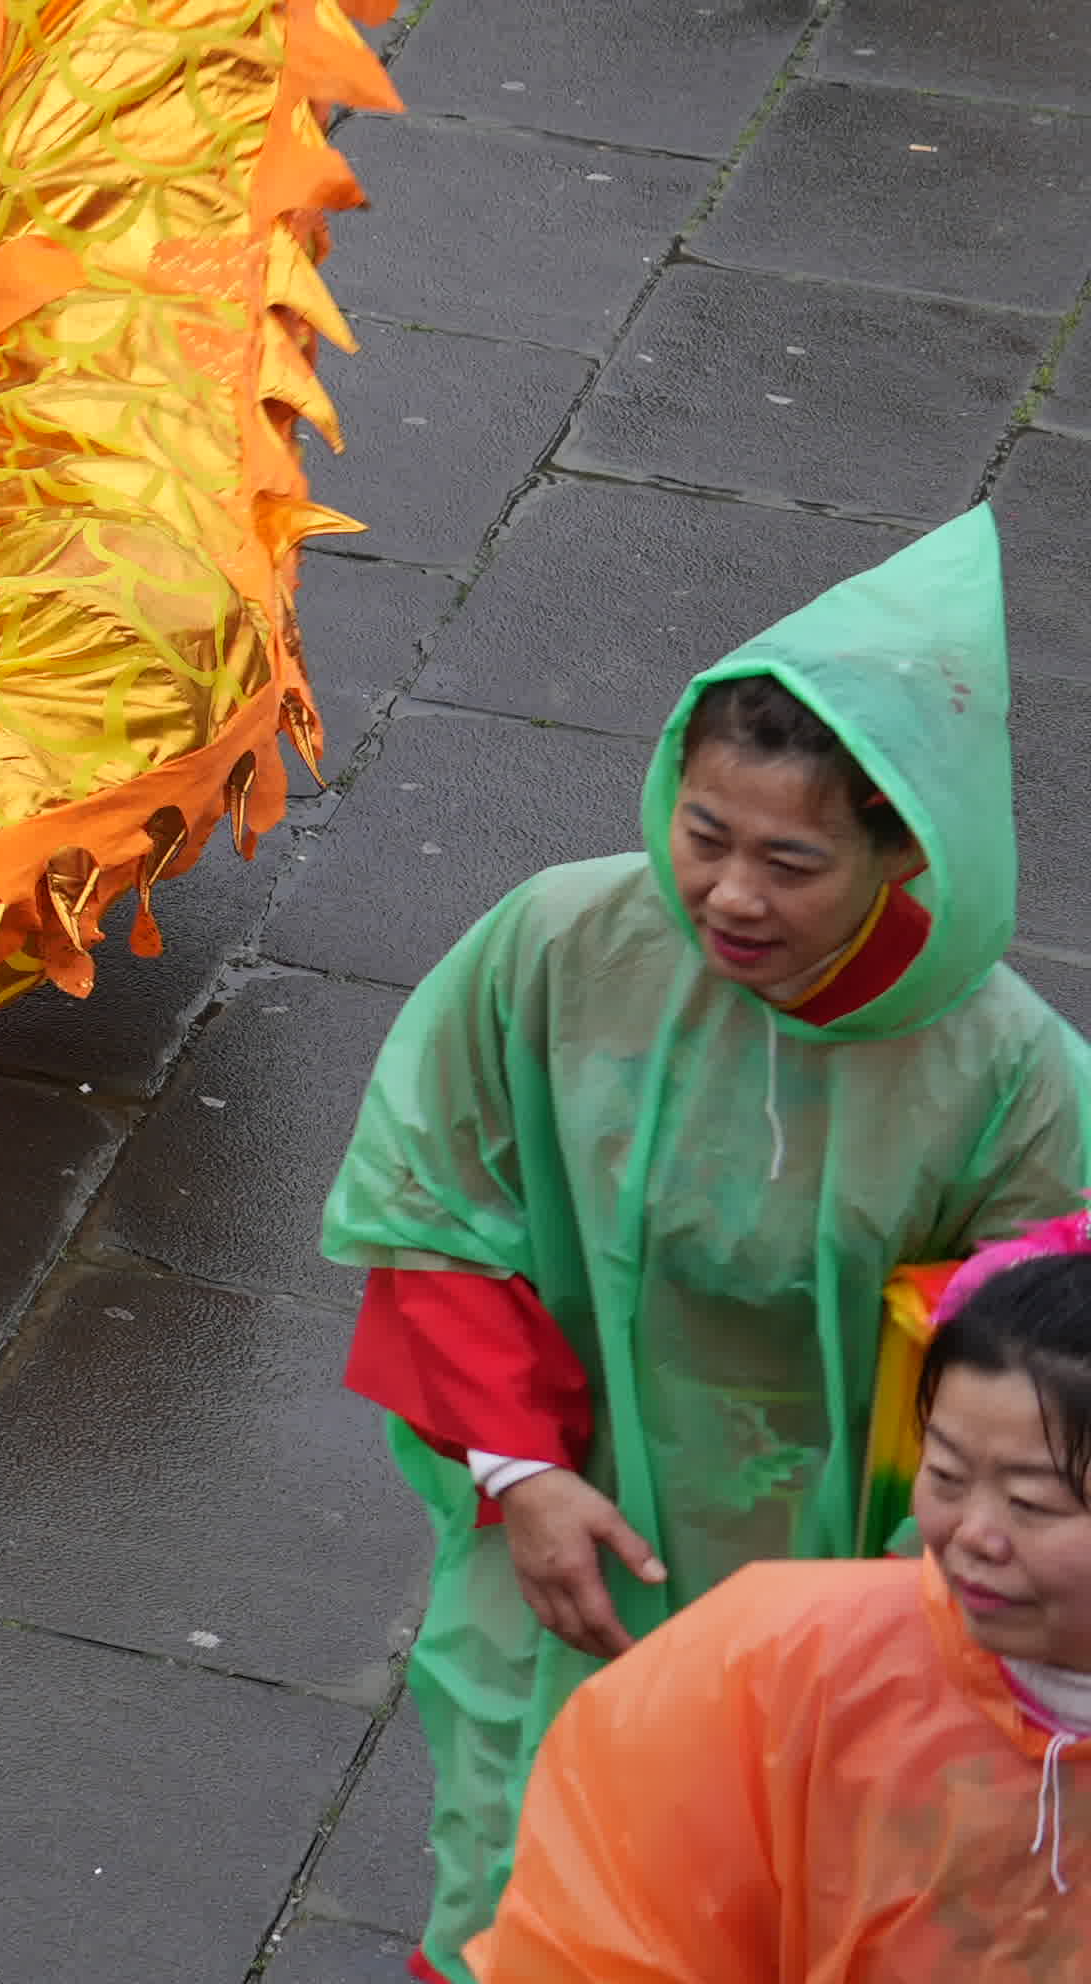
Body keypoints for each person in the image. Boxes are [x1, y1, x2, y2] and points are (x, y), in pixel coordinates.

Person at [325, 510, 1082, 1979]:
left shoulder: (1009, 1074)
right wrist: (524, 1476)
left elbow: (1040, 1348)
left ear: (900, 852)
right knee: (519, 1847)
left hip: (872, 1555)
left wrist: (935, 1569)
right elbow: (432, 1209)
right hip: (571, 1513)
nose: (732, 896)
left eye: (793, 862)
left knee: (808, 1884)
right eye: (705, 833)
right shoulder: (557, 944)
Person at [459, 1242, 1091, 1980]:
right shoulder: (771, 1667)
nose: (972, 1535)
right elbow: (595, 1938)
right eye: (945, 1474)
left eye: (1031, 1504)